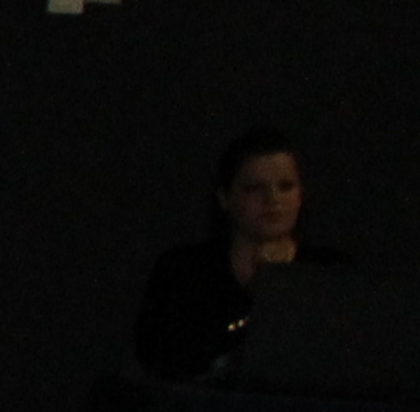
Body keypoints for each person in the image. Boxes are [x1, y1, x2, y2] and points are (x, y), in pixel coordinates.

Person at [130, 128, 326, 380]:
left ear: (301, 195)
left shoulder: (329, 270)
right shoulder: (183, 270)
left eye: (285, 186)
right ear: (225, 198)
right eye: (254, 189)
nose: (272, 199)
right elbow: (157, 355)